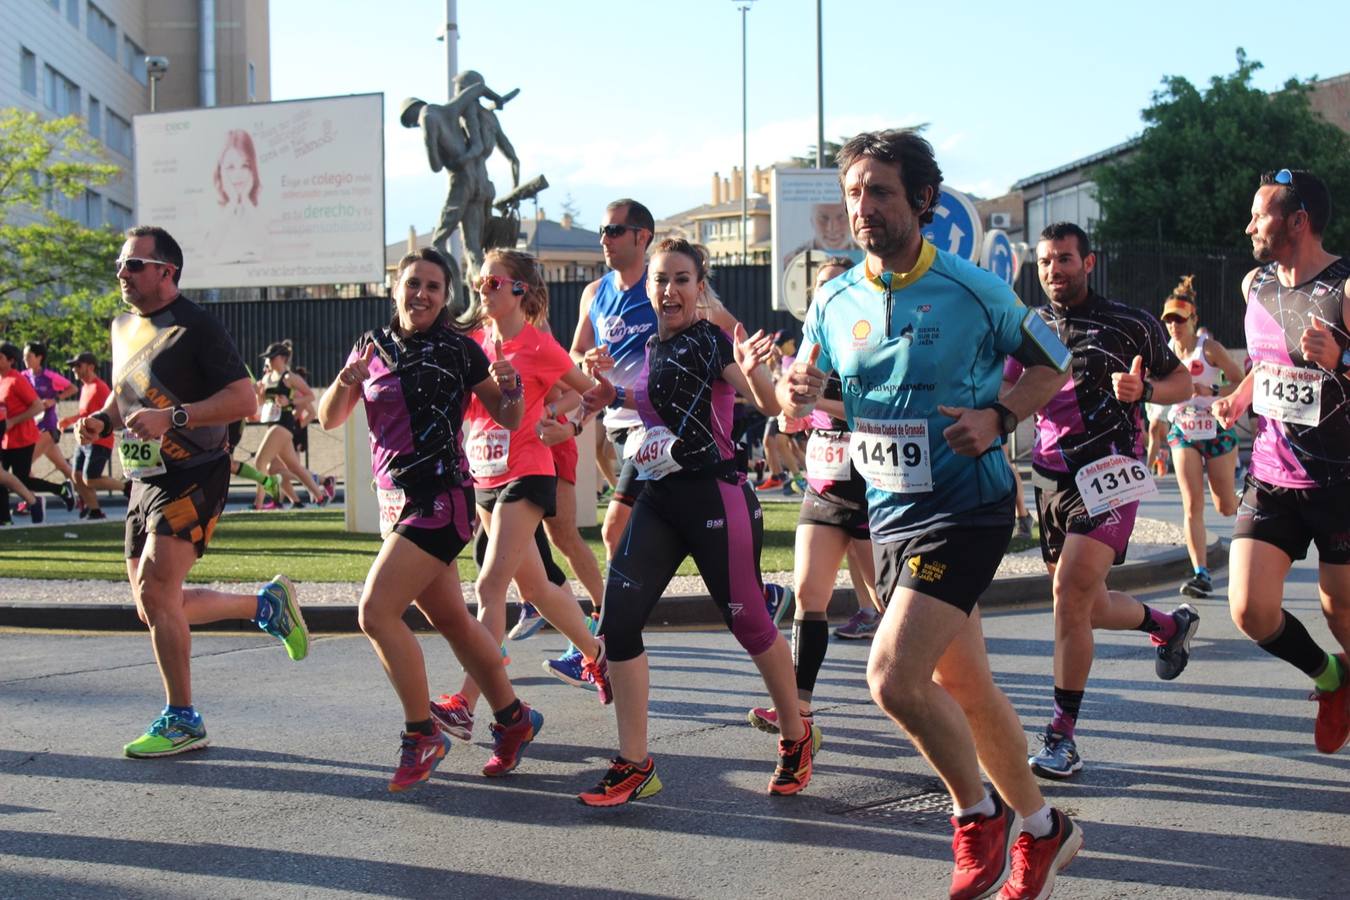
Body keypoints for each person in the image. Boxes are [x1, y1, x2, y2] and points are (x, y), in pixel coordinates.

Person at [782, 130, 1081, 899]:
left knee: (891, 676)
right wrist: (788, 393)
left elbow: (1054, 361)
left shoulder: (974, 288)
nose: (864, 207)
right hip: (890, 514)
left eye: (880, 191)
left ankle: (976, 814)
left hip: (969, 506)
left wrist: (1000, 417)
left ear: (921, 199)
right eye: (853, 192)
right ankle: (1047, 830)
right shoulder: (834, 296)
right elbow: (809, 387)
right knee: (968, 689)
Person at [575, 237, 816, 807]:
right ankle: (635, 764)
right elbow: (626, 408)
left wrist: (756, 372)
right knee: (618, 622)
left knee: (751, 624)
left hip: (716, 498)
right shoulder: (643, 346)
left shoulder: (711, 341)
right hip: (660, 499)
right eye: (661, 280)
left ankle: (796, 735)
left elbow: (765, 405)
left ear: (699, 289)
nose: (669, 290)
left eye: (682, 279)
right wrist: (595, 393)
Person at [317, 246, 543, 790]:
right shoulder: (369, 346)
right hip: (394, 503)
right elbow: (329, 419)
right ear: (396, 287)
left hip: (440, 498)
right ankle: (515, 720)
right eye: (413, 283)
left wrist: (510, 385)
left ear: (445, 297)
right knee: (455, 623)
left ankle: (422, 734)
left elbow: (507, 416)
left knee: (375, 612)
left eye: (433, 288)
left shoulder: (458, 350)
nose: (421, 295)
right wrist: (346, 380)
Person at [77, 225, 307, 759]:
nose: (122, 273)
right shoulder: (122, 326)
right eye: (120, 263)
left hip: (197, 469)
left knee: (158, 590)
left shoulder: (197, 326)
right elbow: (123, 394)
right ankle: (265, 605)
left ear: (167, 271)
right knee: (152, 604)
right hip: (144, 476)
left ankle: (182, 718)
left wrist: (173, 416)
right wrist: (100, 421)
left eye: (134, 264)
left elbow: (245, 400)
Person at [1008, 223, 1197, 785]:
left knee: (1069, 595)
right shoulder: (1029, 327)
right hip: (1050, 478)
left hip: (1110, 471)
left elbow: (1182, 382)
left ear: (1088, 263)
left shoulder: (1130, 322)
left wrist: (1147, 393)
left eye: (1064, 259)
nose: (1053, 270)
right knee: (1084, 607)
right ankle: (1166, 625)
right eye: (1045, 262)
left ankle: (1062, 737)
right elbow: (1009, 391)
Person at [430, 248, 610, 741]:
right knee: (535, 589)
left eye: (493, 282)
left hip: (528, 473)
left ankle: (466, 703)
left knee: (490, 588)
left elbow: (595, 391)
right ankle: (598, 656)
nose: (483, 289)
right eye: (480, 281)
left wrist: (564, 425)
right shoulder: (472, 345)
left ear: (518, 291)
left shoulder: (539, 346)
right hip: (484, 477)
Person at [1213, 168, 1350, 755]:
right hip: (1271, 473)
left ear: (1298, 221)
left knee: (1340, 609)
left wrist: (1345, 358)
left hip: (1340, 478)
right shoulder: (1254, 283)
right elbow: (1268, 362)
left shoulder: (1344, 288)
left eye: (1259, 214)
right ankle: (1332, 679)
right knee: (1249, 608)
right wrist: (1240, 394)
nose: (1249, 225)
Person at [748, 257, 882, 735]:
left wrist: (813, 402)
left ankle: (941, 694)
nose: (822, 294)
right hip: (823, 485)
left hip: (869, 481)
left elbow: (870, 406)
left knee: (889, 603)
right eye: (816, 288)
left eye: (830, 285)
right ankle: (800, 709)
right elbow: (793, 410)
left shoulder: (866, 335)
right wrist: (792, 416)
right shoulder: (810, 346)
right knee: (808, 594)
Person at [1158, 275, 1244, 598]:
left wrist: (1213, 390)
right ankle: (1201, 573)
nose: (1174, 326)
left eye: (1179, 320)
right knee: (1192, 503)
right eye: (1168, 320)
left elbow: (1241, 382)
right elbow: (1158, 391)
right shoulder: (1165, 354)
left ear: (1193, 319)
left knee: (1224, 505)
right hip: (1183, 432)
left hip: (1218, 430)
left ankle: (1251, 513)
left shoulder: (1210, 349)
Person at [251, 341, 331, 510]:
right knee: (293, 467)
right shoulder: (266, 378)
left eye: (272, 358)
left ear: (282, 358)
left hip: (284, 424)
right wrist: (258, 393)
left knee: (260, 461)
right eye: (268, 358)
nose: (270, 361)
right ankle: (320, 496)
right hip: (272, 423)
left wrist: (291, 401)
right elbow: (261, 403)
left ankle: (258, 503)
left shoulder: (289, 377)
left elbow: (310, 396)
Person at [58, 352, 129, 520]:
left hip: (99, 440)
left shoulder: (100, 388)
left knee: (90, 479)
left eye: (78, 365)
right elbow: (86, 414)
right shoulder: (85, 387)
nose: (74, 369)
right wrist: (69, 420)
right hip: (83, 440)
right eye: (73, 366)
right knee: (76, 476)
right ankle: (95, 511)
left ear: (90, 366)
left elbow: (111, 413)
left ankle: (127, 487)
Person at [0, 341, 66, 523]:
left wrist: (12, 421)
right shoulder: (2, 379)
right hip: (5, 438)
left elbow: (38, 406)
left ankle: (52, 494)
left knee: (21, 480)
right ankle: (5, 518)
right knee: (7, 480)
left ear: (10, 361)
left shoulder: (16, 380)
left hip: (23, 438)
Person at [22, 341, 77, 508]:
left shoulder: (50, 376)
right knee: (64, 467)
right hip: (31, 428)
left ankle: (31, 501)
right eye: (24, 357)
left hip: (47, 428)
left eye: (29, 356)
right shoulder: (23, 376)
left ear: (40, 357)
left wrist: (54, 399)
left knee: (23, 466)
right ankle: (86, 497)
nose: (25, 359)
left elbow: (72, 388)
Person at [207, 129, 265, 264]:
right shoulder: (211, 207)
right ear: (220, 170)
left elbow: (265, 246)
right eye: (230, 167)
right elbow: (210, 249)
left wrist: (245, 201)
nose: (238, 174)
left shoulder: (260, 206)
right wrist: (232, 202)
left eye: (245, 166)